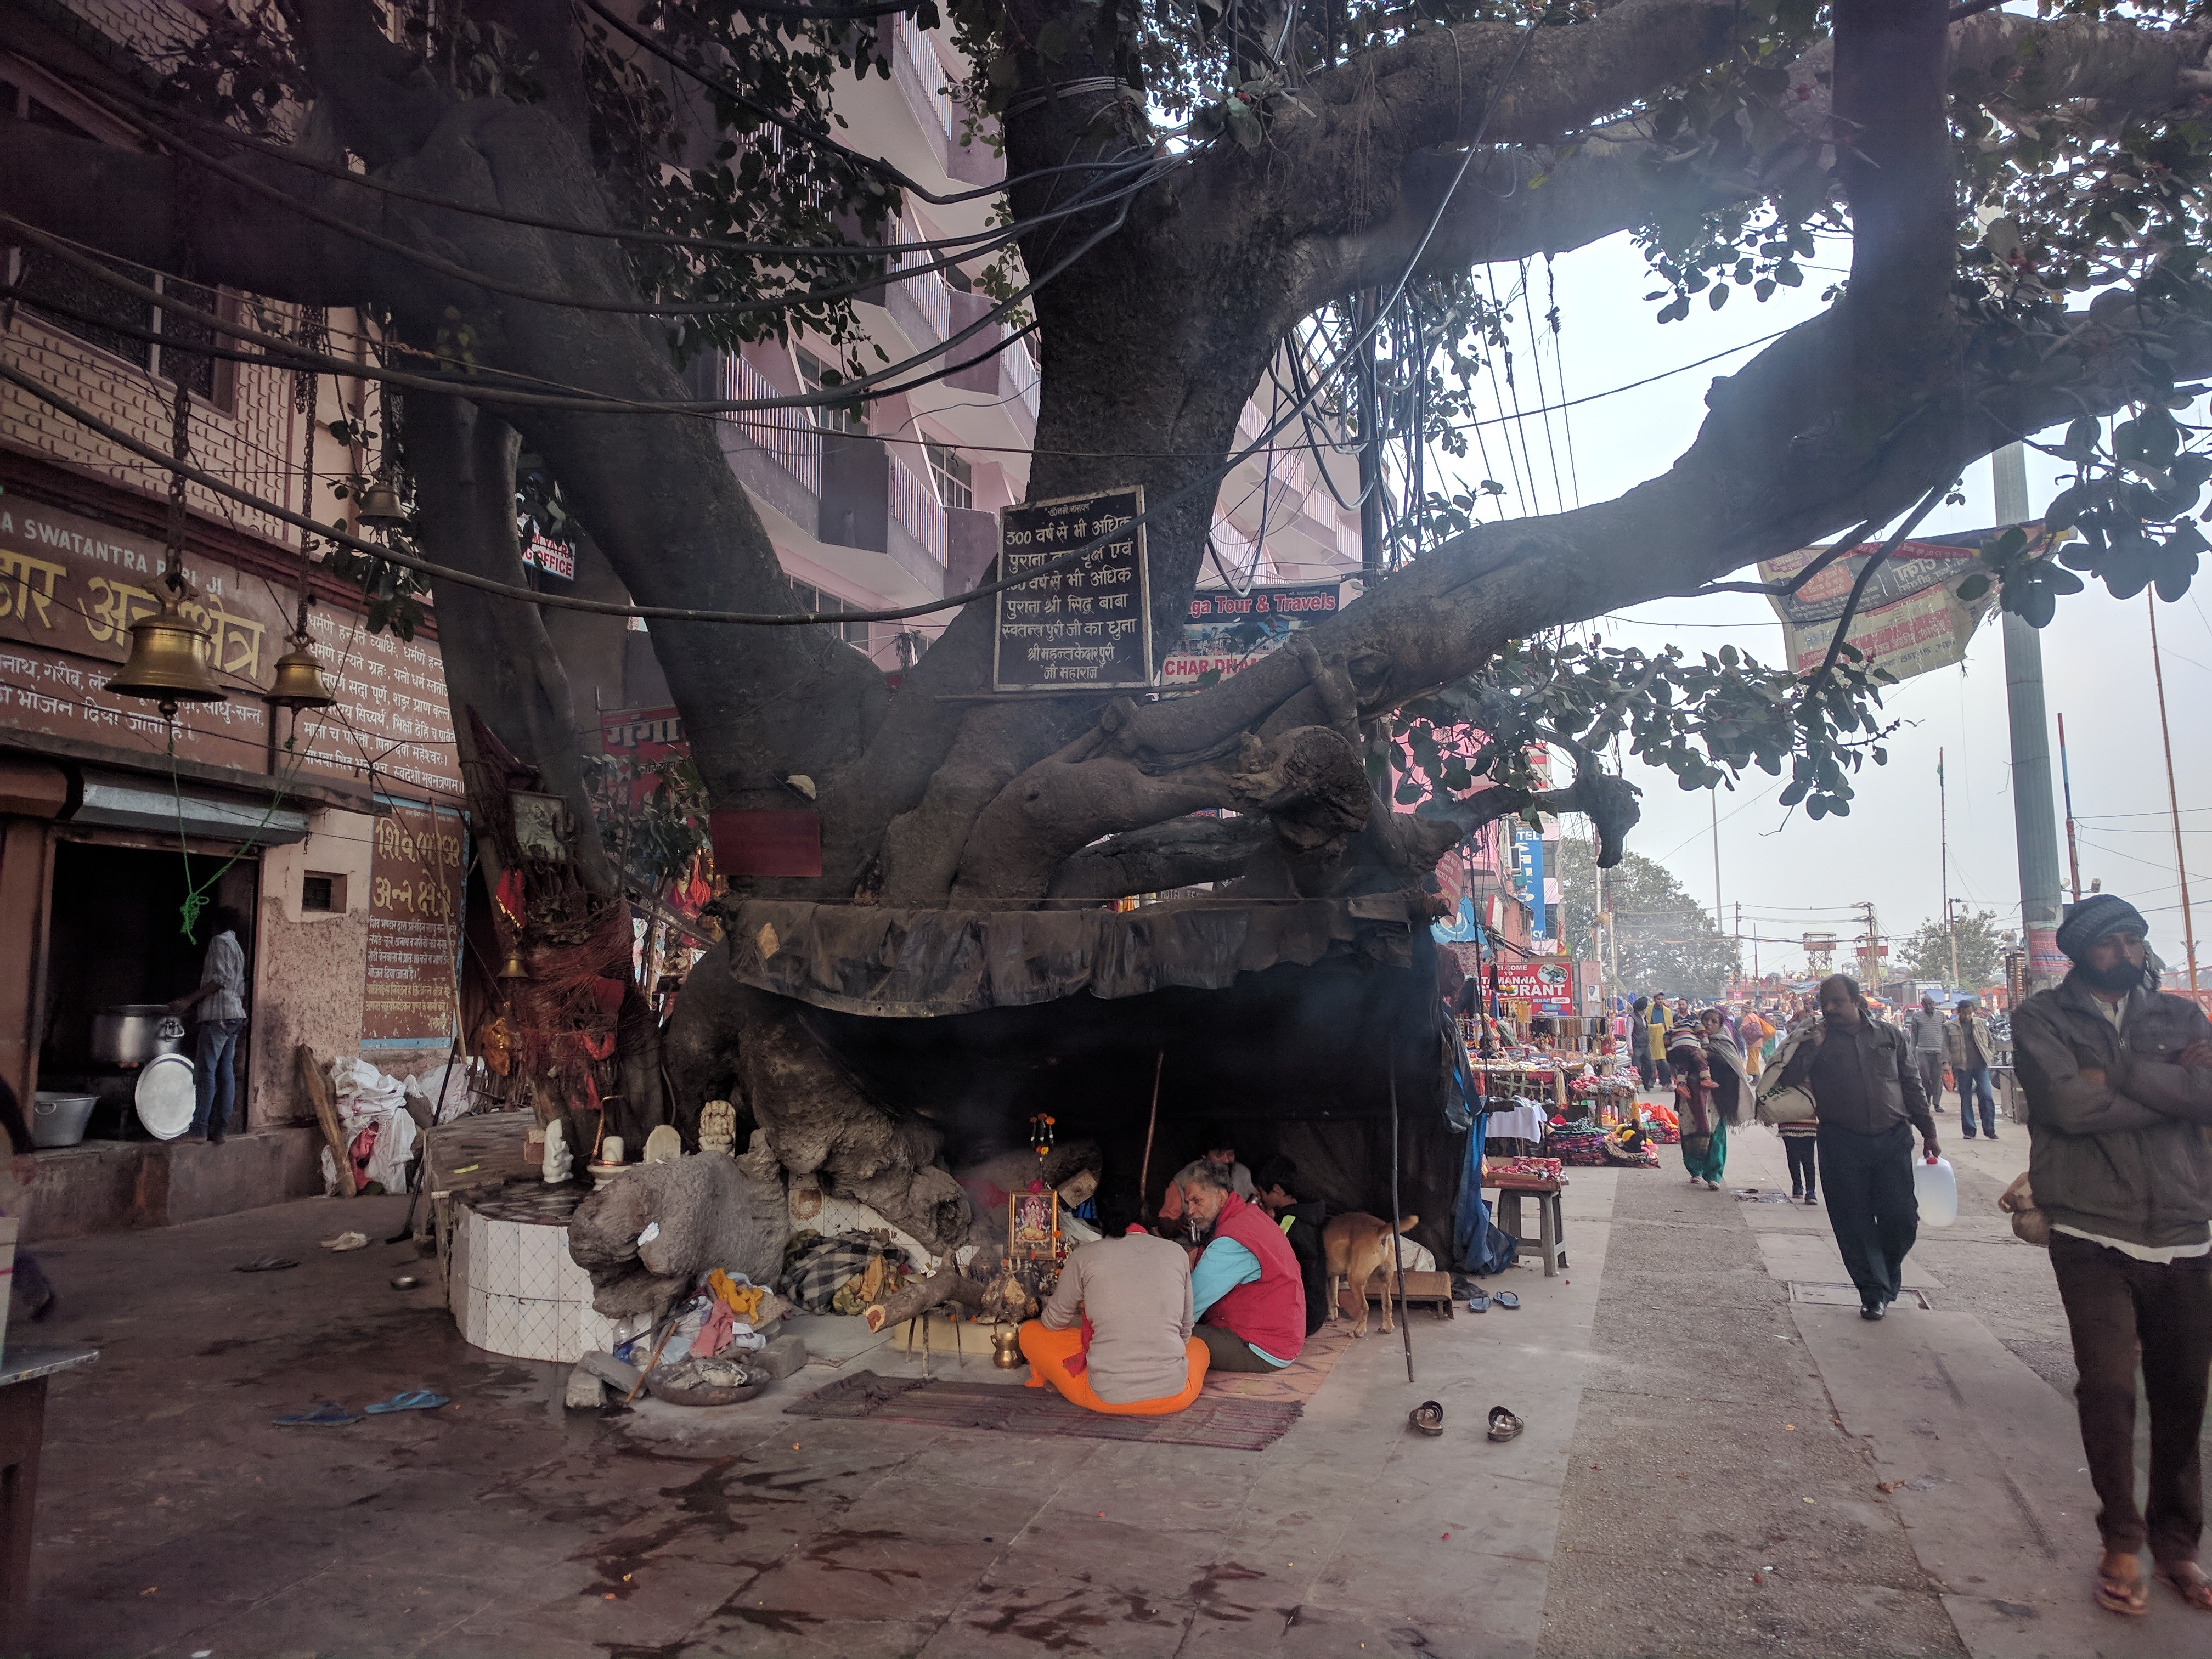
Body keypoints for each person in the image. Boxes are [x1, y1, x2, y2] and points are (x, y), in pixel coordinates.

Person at [2011, 892, 2212, 1616]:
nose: (2126, 952)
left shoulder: (2181, 1014)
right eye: (2110, 943)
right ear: (2077, 951)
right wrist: (2172, 1088)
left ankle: (2178, 1544)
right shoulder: (2041, 1018)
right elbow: (2068, 1108)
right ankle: (2122, 1538)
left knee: (2183, 1395)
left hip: (2188, 1227)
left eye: (2134, 939)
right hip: (2093, 1230)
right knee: (2107, 1388)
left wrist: (2119, 1076)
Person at [1777, 974, 1939, 1320]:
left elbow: (1911, 1084)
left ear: (1856, 1000)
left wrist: (1929, 1131)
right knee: (1853, 1222)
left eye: (1837, 1001)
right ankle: (1873, 1292)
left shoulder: (1889, 1035)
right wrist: (1813, 1047)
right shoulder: (1813, 1040)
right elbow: (1787, 1081)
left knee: (1902, 1218)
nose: (1830, 1008)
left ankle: (1883, 1273)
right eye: (1825, 1003)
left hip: (1893, 1138)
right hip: (1840, 1141)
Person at [1020, 1206, 1209, 1415]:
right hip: (1174, 1396)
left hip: (1104, 1396)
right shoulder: (1176, 1253)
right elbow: (1184, 1333)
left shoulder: (1085, 1255)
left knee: (1029, 1332)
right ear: (1145, 1216)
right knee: (1199, 1347)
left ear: (1102, 1221)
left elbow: (1054, 1322)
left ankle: (1052, 1377)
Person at [1177, 1159, 1305, 1372]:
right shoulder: (1247, 1216)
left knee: (1163, 1338)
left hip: (1263, 1347)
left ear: (1221, 1196)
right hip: (1281, 1335)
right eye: (1188, 1202)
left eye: (1197, 1201)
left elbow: (1190, 1307)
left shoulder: (1232, 1239)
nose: (1190, 1211)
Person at [170, 905, 248, 1144]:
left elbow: (219, 979)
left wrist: (188, 1001)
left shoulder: (219, 943)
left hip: (218, 1017)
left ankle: (198, 1130)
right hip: (234, 1015)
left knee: (206, 1072)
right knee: (225, 1073)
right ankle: (219, 1130)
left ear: (216, 924)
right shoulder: (236, 947)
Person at [1252, 1155, 1330, 1338]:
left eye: (1261, 1192)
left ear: (1277, 1190)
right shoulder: (1307, 1213)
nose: (1258, 1197)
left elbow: (1266, 1258)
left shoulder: (1288, 1225)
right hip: (1316, 1310)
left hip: (1302, 1318)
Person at [1669, 1009, 1746, 1190]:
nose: (1710, 1024)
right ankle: (1695, 1170)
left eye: (1714, 1021)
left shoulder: (1724, 1043)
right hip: (1690, 1096)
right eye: (1706, 1020)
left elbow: (1732, 1065)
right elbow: (1671, 1057)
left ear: (1721, 1025)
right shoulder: (1688, 1038)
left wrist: (1708, 1056)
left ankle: (1714, 1175)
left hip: (1716, 1098)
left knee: (1716, 1136)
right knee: (1690, 1132)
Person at [1155, 1128, 1254, 1227]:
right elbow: (1164, 1224)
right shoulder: (1183, 1180)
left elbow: (1255, 1203)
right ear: (1204, 1156)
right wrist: (1178, 1224)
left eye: (1230, 1154)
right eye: (1219, 1155)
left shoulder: (1242, 1174)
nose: (1227, 1160)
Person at [1946, 996, 2000, 1141]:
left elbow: (1990, 1042)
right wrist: (1946, 1063)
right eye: (1964, 1013)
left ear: (1973, 1012)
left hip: (1981, 1065)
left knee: (1987, 1096)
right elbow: (1945, 1046)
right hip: (1962, 1067)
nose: (1967, 1016)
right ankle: (1969, 1131)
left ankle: (1990, 1129)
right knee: (1966, 1098)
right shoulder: (1950, 1026)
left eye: (1969, 1013)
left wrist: (1989, 1054)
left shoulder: (1981, 1024)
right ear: (1958, 1012)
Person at [1906, 992, 1949, 1109]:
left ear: (1934, 1004)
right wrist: (1912, 1051)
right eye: (1926, 1005)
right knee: (1925, 1077)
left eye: (1931, 1004)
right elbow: (1914, 1035)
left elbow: (1945, 1035)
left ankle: (1937, 1103)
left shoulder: (1941, 1015)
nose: (1929, 1007)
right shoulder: (1917, 1016)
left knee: (1937, 1078)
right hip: (1923, 1051)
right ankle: (1928, 1097)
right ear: (1922, 1005)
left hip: (1938, 1051)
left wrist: (1946, 1053)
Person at [1647, 994, 1674, 1088]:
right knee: (1653, 1062)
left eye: (1662, 999)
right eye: (1658, 999)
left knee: (1664, 1062)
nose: (1660, 1001)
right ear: (1654, 999)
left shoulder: (1667, 1011)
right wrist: (1657, 1026)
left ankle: (1666, 1083)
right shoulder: (1649, 1010)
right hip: (1652, 1039)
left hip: (1664, 1039)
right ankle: (1651, 1080)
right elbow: (1646, 1025)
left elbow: (1670, 1026)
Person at [1629, 997, 1655, 1090]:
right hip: (1636, 1046)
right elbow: (1628, 1033)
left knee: (1649, 1066)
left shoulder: (1644, 1017)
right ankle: (1636, 1085)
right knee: (1636, 1068)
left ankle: (1646, 1081)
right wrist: (1630, 1047)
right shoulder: (1631, 1018)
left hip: (1645, 1045)